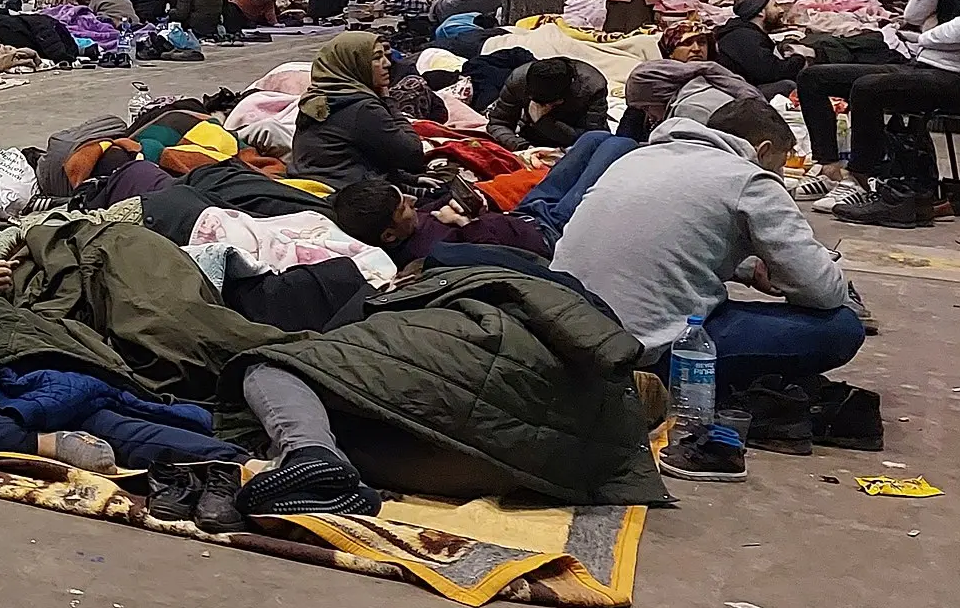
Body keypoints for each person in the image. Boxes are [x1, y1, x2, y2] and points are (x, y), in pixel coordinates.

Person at [552, 98, 875, 467]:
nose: (783, 174)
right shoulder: (749, 179)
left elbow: (661, 242)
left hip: (568, 333)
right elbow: (823, 290)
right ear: (764, 149)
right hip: (646, 356)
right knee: (842, 325)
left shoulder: (636, 158)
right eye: (783, 161)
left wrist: (746, 268)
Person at [790, 0, 960, 225]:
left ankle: (859, 176)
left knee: (869, 87)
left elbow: (954, 33)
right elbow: (913, 14)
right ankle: (829, 166)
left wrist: (921, 39)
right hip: (923, 66)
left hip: (954, 78)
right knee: (813, 78)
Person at [285, 32, 425, 190]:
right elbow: (413, 156)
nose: (387, 64)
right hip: (344, 192)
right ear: (354, 63)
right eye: (377, 58)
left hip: (312, 182)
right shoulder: (362, 108)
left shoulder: (317, 98)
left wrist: (405, 179)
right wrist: (388, 101)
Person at [330, 179, 549, 271]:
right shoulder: (431, 252)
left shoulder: (409, 226)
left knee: (585, 143)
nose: (412, 202)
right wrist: (464, 222)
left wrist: (469, 202)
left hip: (522, 215)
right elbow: (496, 257)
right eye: (403, 207)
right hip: (545, 235)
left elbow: (437, 203)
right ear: (389, 236)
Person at [481, 55, 611, 151]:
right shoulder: (518, 80)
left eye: (550, 105)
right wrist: (523, 147)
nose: (544, 107)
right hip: (531, 136)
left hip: (573, 140)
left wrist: (542, 121)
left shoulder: (593, 86)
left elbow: (591, 138)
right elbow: (498, 123)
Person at [712, 0, 805, 92]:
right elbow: (771, 73)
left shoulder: (744, 33)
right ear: (760, 12)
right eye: (775, 6)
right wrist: (800, 59)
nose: (781, 10)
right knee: (787, 86)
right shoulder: (745, 37)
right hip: (740, 92)